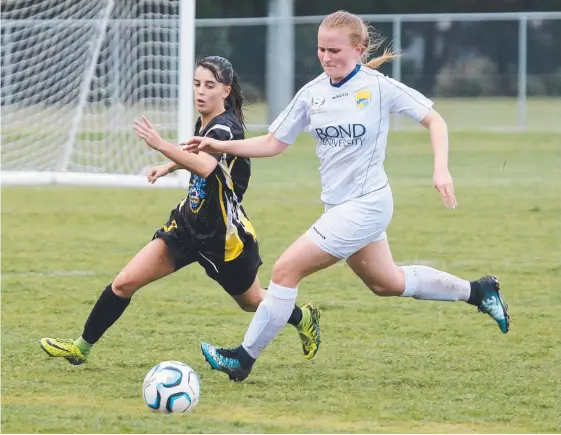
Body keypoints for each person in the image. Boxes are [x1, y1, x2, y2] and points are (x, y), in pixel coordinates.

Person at [184, 12, 511, 382]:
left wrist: (441, 169)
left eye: (334, 50)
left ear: (357, 49)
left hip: (368, 204)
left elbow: (435, 120)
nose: (326, 57)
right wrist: (217, 142)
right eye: (321, 49)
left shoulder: (377, 86)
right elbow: (274, 143)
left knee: (285, 270)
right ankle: (478, 291)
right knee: (386, 283)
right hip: (339, 206)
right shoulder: (313, 93)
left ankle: (242, 358)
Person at [39, 56, 321, 366]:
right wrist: (169, 165)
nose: (201, 92)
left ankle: (301, 316)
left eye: (210, 86)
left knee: (252, 301)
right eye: (197, 84)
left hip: (223, 238)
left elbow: (205, 163)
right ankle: (81, 347)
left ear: (226, 91)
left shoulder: (226, 128)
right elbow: (194, 152)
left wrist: (160, 145)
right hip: (186, 226)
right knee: (124, 282)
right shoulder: (205, 121)